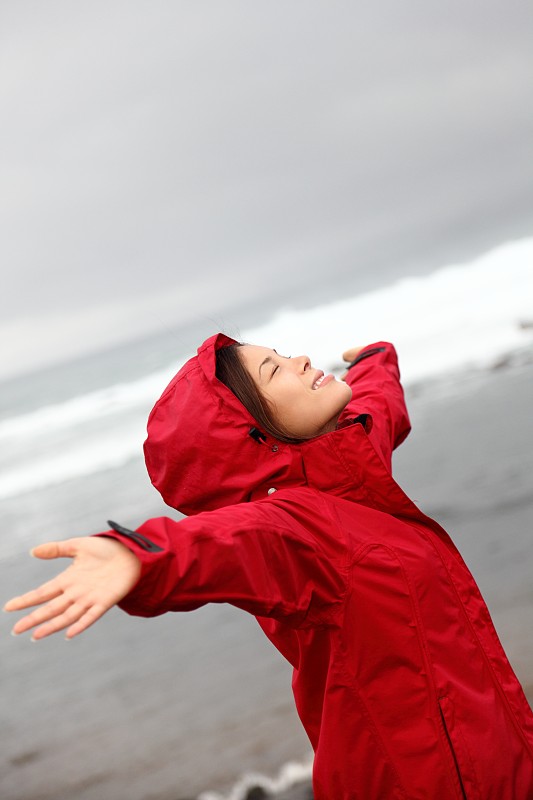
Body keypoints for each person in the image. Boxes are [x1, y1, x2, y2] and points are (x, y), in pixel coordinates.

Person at [5, 334, 533, 799]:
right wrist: (137, 555)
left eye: (281, 353)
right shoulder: (294, 526)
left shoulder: (349, 469)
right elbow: (222, 543)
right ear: (253, 432)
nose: (300, 358)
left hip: (502, 753)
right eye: (274, 369)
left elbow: (378, 406)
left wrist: (376, 359)